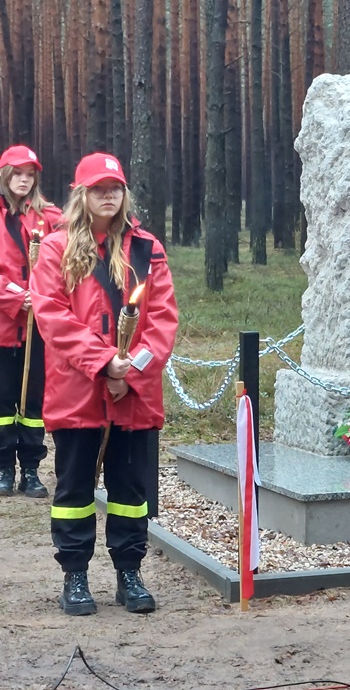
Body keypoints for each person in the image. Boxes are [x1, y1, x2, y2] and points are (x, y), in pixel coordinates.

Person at [30, 153, 178, 616]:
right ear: (81, 194)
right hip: (77, 390)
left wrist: (129, 373)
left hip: (134, 395)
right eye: (98, 189)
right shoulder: (56, 248)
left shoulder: (147, 248)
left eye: (115, 187)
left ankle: (129, 573)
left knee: (131, 491)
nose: (108, 195)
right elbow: (53, 316)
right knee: (74, 489)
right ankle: (75, 575)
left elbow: (162, 321)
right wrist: (103, 364)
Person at [0, 145, 62, 499]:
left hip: (39, 325)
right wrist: (13, 296)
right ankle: (3, 467)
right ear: (5, 175)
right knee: (2, 400)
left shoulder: (49, 216)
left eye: (29, 174)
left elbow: (67, 257)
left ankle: (31, 469)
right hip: (3, 323)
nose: (24, 180)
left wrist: (41, 294)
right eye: (17, 173)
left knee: (34, 401)